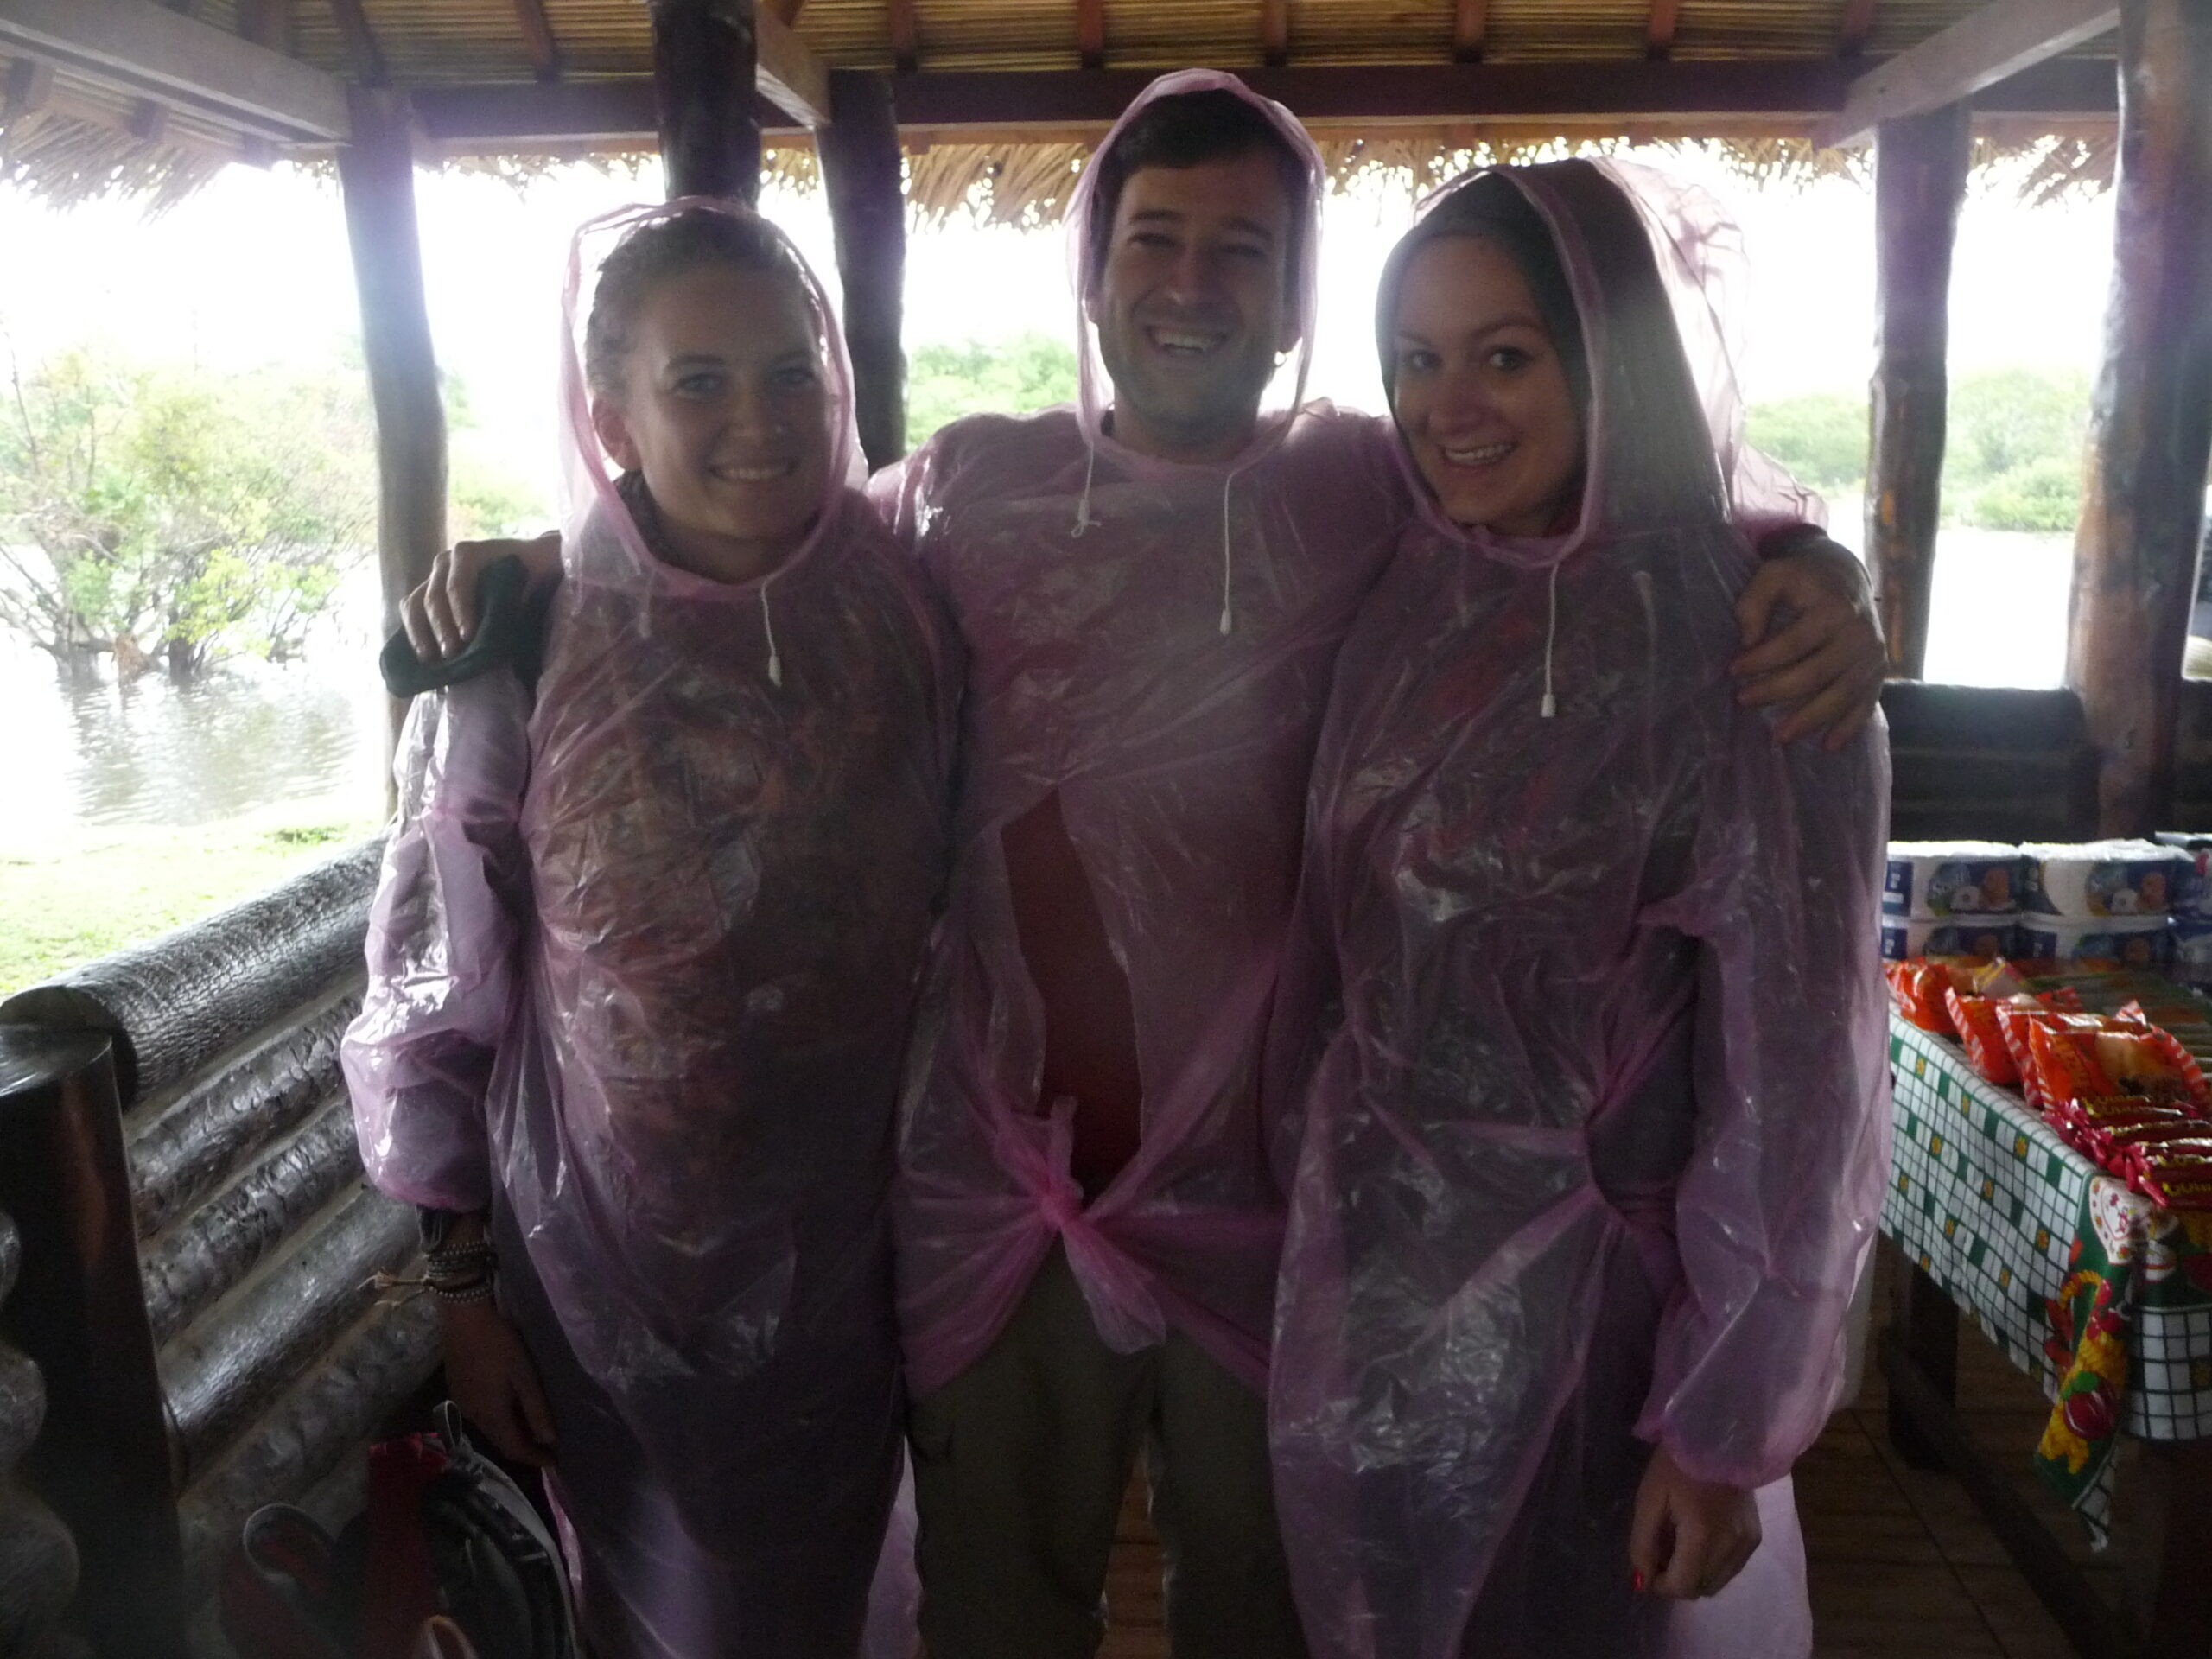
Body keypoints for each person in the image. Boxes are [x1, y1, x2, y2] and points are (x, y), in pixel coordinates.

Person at [392, 73, 1885, 1659]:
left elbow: (1618, 506)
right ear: (1092, 278)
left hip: (1285, 1212)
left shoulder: (1378, 488)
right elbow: (759, 541)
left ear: (1298, 297)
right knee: (998, 1612)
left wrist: (1812, 566)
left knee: (1264, 1614)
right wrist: (553, 555)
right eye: (1153, 240)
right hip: (997, 1197)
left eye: (1243, 250)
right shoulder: (971, 493)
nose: (1191, 285)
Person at [1262, 161, 1891, 1659]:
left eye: (1505, 355)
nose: (1449, 407)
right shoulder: (1419, 582)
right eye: (1416, 358)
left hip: (1605, 1326)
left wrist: (1723, 1423)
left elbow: (1800, 1079)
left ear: (1614, 357)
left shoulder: (1748, 648)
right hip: (1374, 1286)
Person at [340, 202, 953, 1659]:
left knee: (831, 1600)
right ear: (610, 418)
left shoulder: (910, 603)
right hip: (603, 1274)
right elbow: (437, 998)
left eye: (792, 373)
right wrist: (463, 1300)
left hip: (858, 1257)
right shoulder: (528, 645)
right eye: (700, 382)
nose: (761, 421)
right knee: (645, 1612)